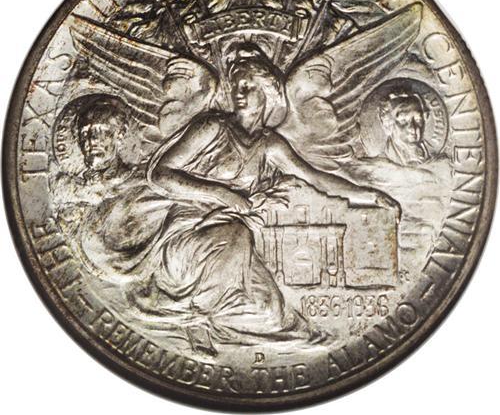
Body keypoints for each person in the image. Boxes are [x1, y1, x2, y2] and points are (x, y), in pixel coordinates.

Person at [139, 43, 399, 349]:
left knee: (272, 314)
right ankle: (193, 318)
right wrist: (221, 194)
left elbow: (315, 178)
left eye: (248, 85)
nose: (239, 92)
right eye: (236, 85)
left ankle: (221, 332)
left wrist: (368, 195)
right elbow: (160, 175)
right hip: (189, 232)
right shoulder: (212, 127)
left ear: (267, 92)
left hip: (234, 241)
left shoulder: (270, 144)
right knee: (236, 235)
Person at [379, 90, 430, 166]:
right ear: (387, 125)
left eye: (418, 120)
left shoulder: (438, 161)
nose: (413, 129)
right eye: (403, 120)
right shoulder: (377, 165)